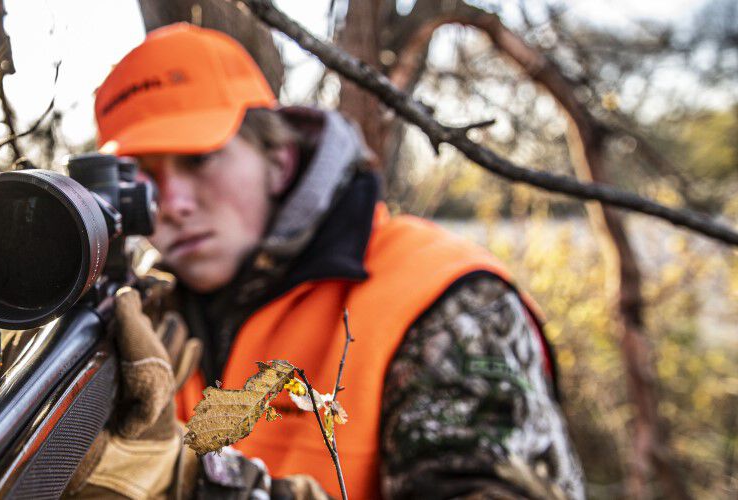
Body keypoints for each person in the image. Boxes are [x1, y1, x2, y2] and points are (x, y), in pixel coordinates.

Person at [66, 23, 584, 499]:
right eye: (145, 179)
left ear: (278, 159)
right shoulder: (138, 318)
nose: (172, 204)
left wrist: (199, 486)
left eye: (200, 158)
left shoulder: (444, 297)